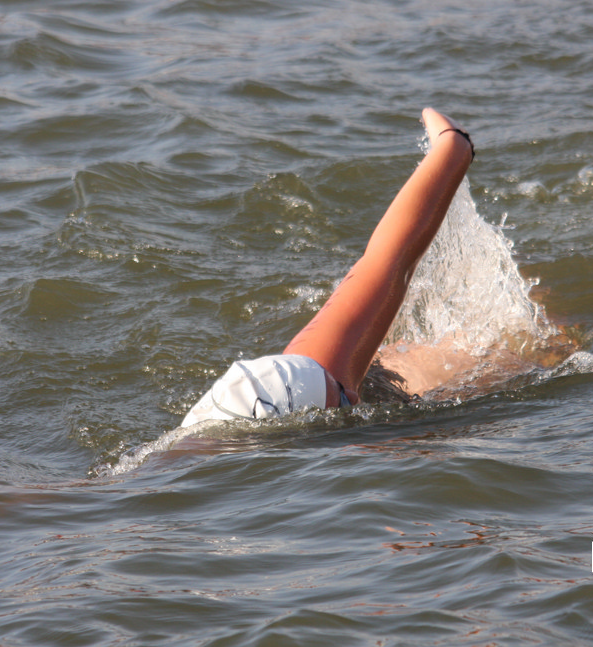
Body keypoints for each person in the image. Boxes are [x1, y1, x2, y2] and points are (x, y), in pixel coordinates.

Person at [179, 107, 476, 428]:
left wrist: (453, 146)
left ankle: (452, 148)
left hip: (278, 395)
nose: (352, 397)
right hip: (249, 395)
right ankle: (452, 147)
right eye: (344, 396)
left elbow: (391, 259)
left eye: (344, 393)